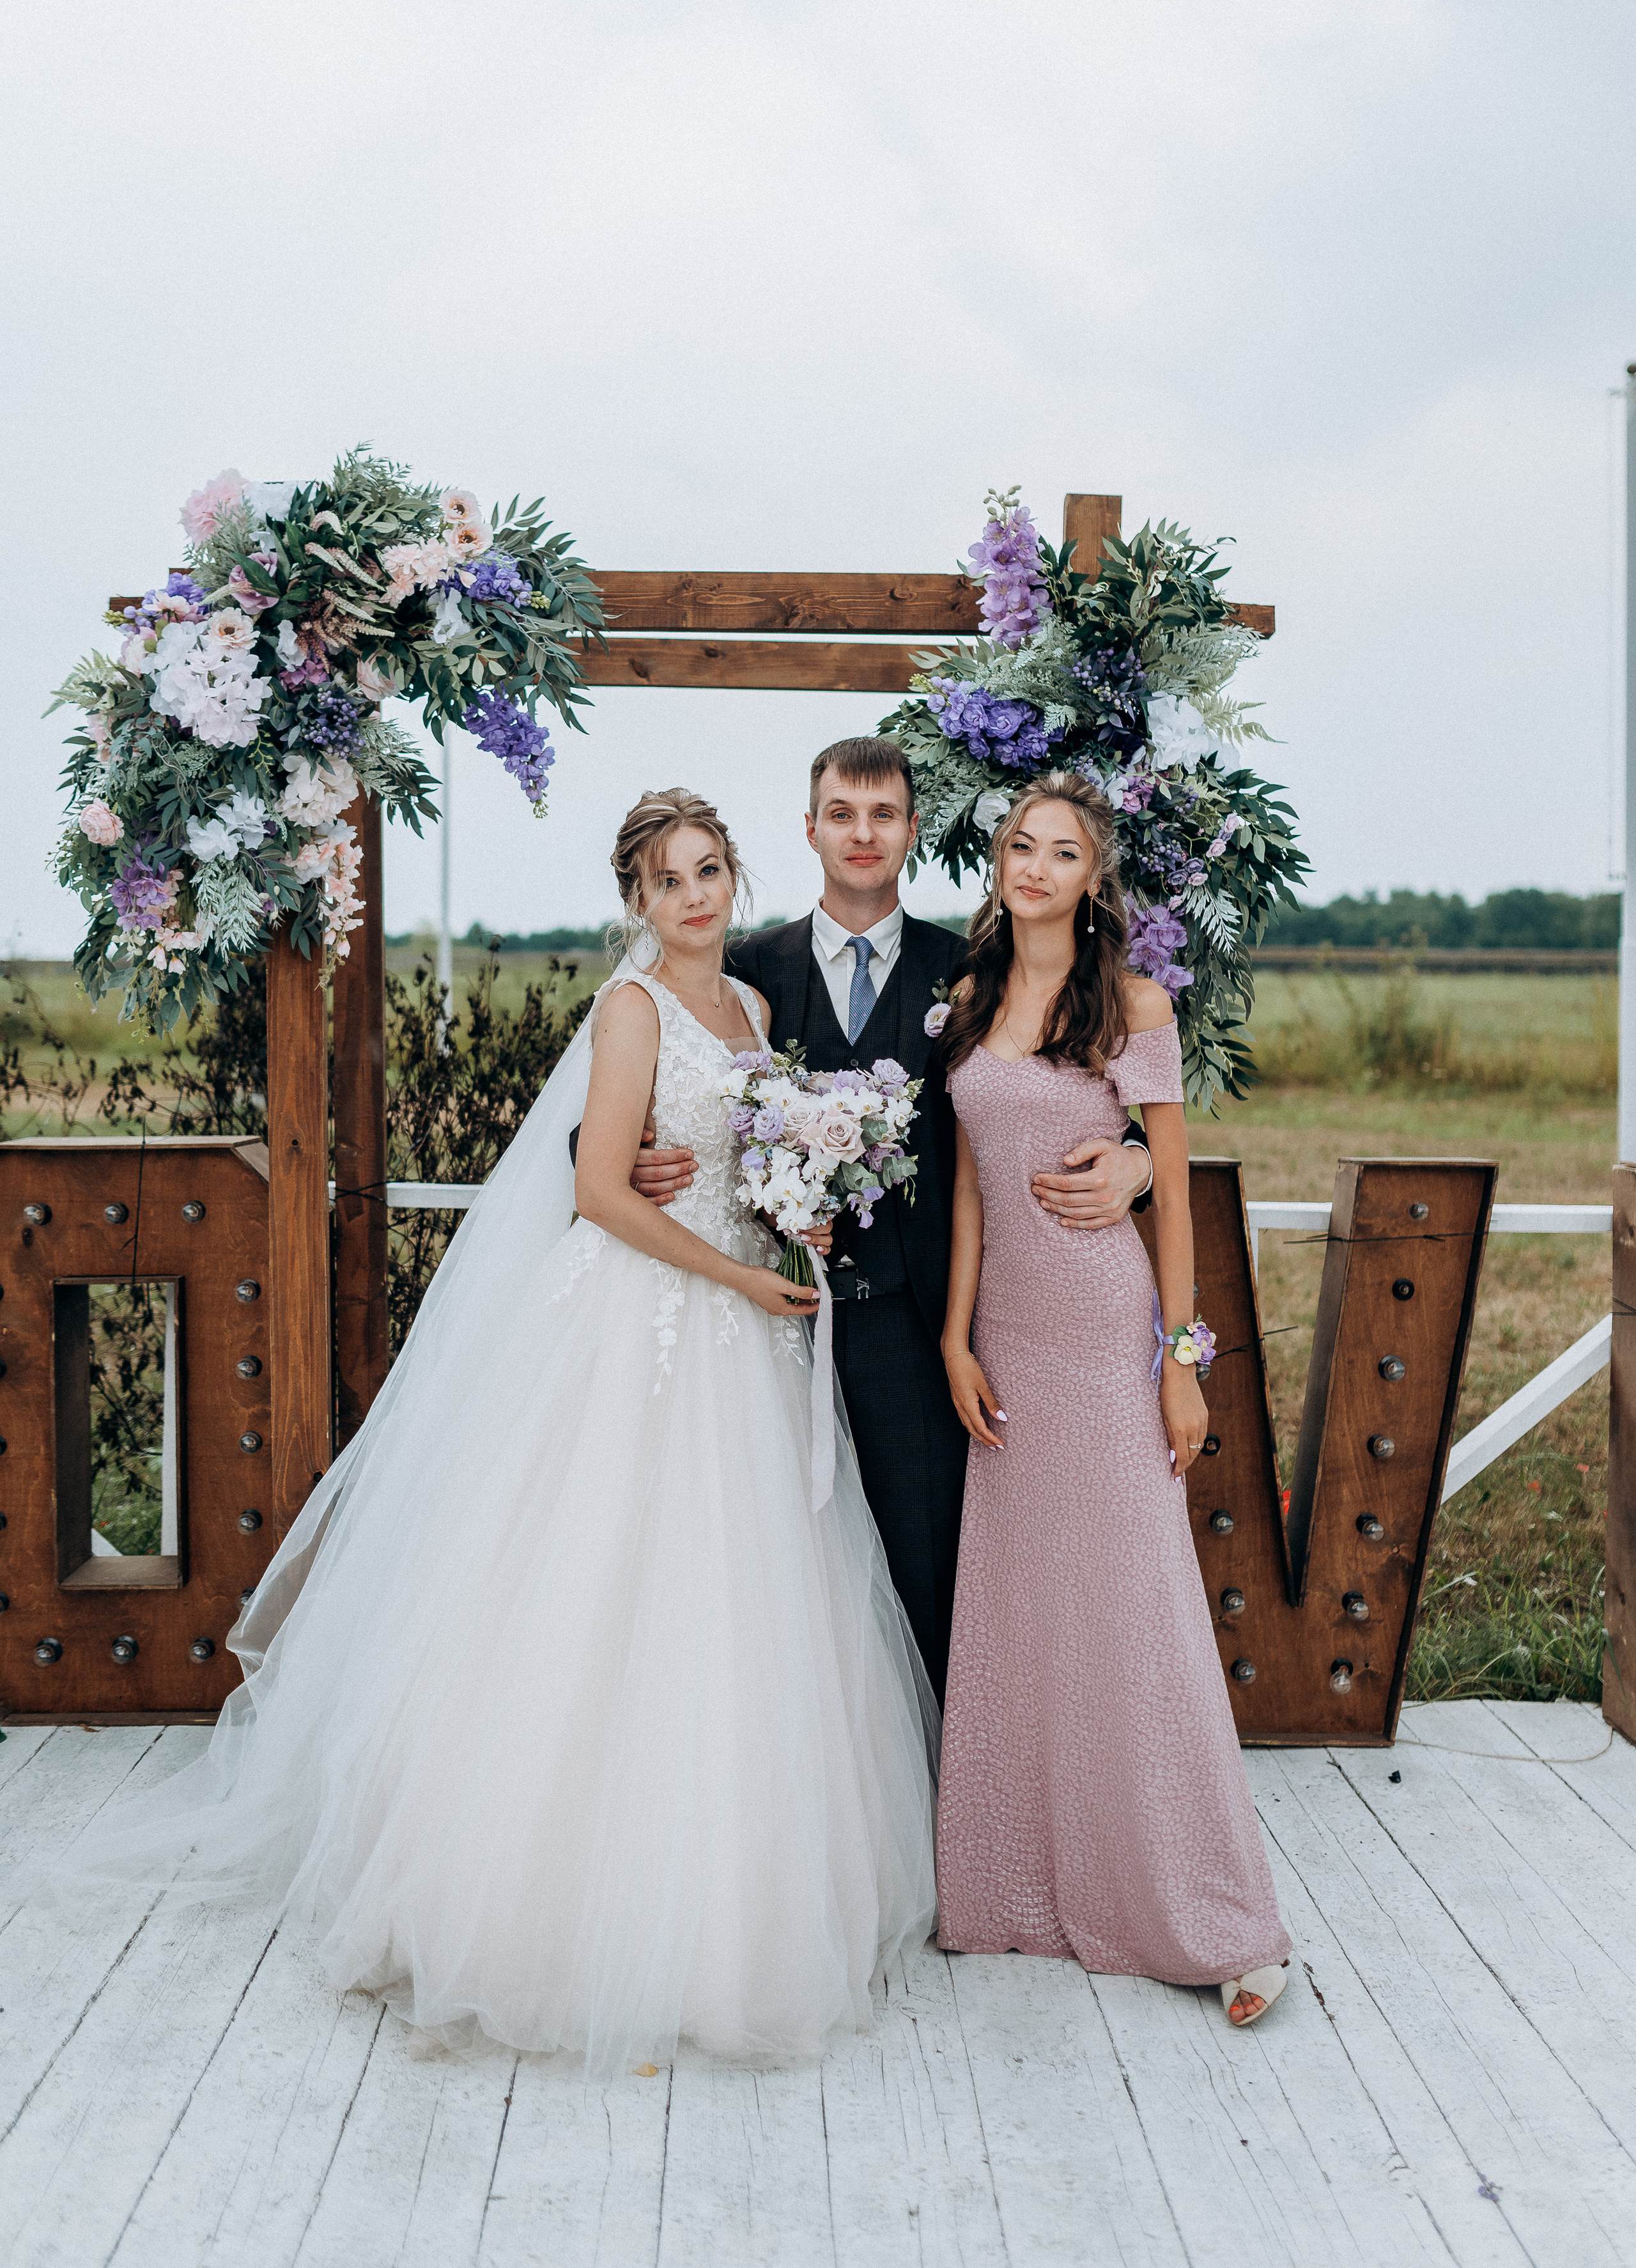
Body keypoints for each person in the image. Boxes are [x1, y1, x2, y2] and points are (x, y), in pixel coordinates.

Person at [47, 789, 938, 2074]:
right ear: (635, 900)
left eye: (706, 871)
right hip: (649, 1316)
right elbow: (592, 1190)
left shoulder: (747, 1010)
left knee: (729, 1599)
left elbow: (741, 1155)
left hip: (746, 1322)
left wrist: (788, 1210)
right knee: (586, 1580)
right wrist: (736, 1275)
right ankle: (535, 1902)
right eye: (665, 879)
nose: (692, 895)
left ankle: (727, 1880)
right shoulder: (628, 1009)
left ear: (732, 878)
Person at [625, 735, 1154, 1700]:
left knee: (930, 1578)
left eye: (882, 815)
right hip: (763, 1331)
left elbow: (1070, 1102)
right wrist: (614, 1154)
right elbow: (631, 1088)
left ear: (912, 829)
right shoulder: (742, 969)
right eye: (842, 814)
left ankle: (943, 1819)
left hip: (922, 1333)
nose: (862, 834)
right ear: (812, 829)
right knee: (769, 1583)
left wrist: (1140, 1163)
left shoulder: (976, 976)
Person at [934, 769, 1293, 2030]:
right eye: (1018, 845)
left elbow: (1176, 1187)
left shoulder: (1133, 1002)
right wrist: (952, 1335)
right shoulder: (975, 998)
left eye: (1061, 851)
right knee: (1022, 1609)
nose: (1034, 866)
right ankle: (1016, 1894)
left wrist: (1178, 1357)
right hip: (1006, 1340)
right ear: (997, 862)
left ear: (1094, 878)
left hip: (1103, 1328)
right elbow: (976, 1182)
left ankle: (1224, 1921)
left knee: (1137, 1614)